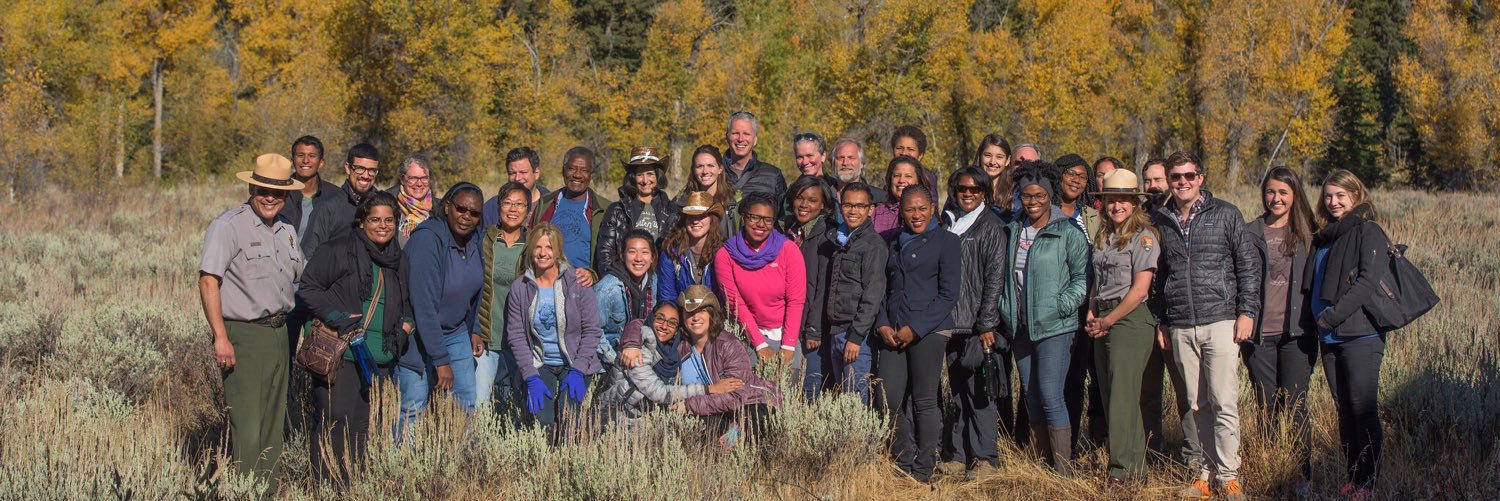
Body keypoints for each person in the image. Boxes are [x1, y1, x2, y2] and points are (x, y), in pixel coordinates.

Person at [1149, 151, 1260, 500]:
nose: (1183, 182)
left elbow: (1248, 267)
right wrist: (1162, 321)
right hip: (1181, 324)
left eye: (1189, 175)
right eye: (1176, 177)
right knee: (1195, 404)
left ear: (1201, 178)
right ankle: (1204, 473)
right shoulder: (1162, 220)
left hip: (1222, 320)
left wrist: (1247, 312)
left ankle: (1229, 476)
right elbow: (1159, 277)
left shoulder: (1225, 214)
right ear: (1169, 180)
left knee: (1223, 400)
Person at [198, 153, 306, 487]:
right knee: (248, 425)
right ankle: (244, 491)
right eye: (263, 189)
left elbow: (304, 274)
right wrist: (221, 337)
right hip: (243, 335)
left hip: (279, 333)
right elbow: (208, 281)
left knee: (273, 423)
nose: (270, 197)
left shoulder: (287, 230)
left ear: (287, 193)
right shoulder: (228, 226)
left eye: (278, 191)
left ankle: (266, 490)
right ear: (251, 186)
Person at [297, 191, 413, 485]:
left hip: (379, 357)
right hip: (342, 351)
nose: (383, 226)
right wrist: (336, 318)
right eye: (375, 219)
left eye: (389, 220)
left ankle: (350, 484)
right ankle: (325, 486)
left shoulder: (398, 258)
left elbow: (408, 302)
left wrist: (406, 327)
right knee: (335, 417)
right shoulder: (339, 249)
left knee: (362, 423)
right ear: (361, 221)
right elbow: (308, 287)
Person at [998, 163, 1089, 476]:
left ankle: (1063, 471)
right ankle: (1041, 467)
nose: (1032, 201)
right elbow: (1003, 276)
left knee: (1051, 395)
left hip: (1055, 327)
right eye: (1026, 196)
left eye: (1039, 196)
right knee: (1032, 396)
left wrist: (1062, 306)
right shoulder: (1012, 230)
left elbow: (1081, 278)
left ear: (1050, 196)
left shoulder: (1068, 232)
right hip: (1021, 328)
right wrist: (1004, 306)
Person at [1309, 169, 1389, 499]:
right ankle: (1353, 475)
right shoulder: (1326, 234)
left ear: (1356, 196)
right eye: (1329, 195)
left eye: (1341, 195)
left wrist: (1332, 316)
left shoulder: (1368, 231)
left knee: (1363, 408)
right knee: (1344, 409)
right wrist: (1322, 324)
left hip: (1359, 334)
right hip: (1329, 336)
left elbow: (1367, 282)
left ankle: (1367, 483)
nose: (1334, 201)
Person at [873, 184, 960, 483]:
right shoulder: (891, 241)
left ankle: (924, 466)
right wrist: (882, 323)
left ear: (933, 208)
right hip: (892, 330)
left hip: (930, 330)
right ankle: (904, 455)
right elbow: (883, 287)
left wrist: (917, 328)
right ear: (900, 211)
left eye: (922, 208)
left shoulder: (947, 242)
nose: (916, 214)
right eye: (910, 209)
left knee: (924, 400)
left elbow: (949, 295)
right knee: (888, 398)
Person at [1244, 166, 1319, 496]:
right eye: (1271, 192)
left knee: (1296, 405)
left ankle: (1302, 475)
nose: (1276, 198)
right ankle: (1267, 467)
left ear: (1295, 195)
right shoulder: (1250, 232)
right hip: (1259, 334)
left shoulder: (1309, 234)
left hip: (1298, 334)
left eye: (1283, 192)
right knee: (1265, 403)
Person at [1083, 169, 1160, 485]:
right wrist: (1092, 312)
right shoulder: (1104, 235)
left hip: (1128, 320)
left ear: (1134, 203)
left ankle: (1120, 472)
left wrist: (1109, 320)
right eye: (1111, 200)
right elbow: (1097, 281)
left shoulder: (1143, 237)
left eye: (1123, 201)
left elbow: (1140, 289)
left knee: (1122, 399)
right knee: (1115, 394)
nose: (1117, 206)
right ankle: (1137, 470)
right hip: (1103, 318)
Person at [935, 168, 1007, 478]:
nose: (968, 193)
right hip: (951, 322)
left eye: (975, 189)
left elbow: (994, 278)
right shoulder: (948, 222)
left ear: (984, 193)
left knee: (981, 394)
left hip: (979, 325)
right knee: (958, 393)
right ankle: (959, 456)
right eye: (962, 188)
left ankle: (986, 458)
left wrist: (987, 324)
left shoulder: (991, 226)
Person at [396, 183, 486, 427]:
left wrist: (474, 327)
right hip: (418, 335)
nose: (466, 217)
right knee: (413, 404)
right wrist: (441, 360)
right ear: (447, 207)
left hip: (456, 331)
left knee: (465, 402)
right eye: (461, 209)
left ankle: (464, 461)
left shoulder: (473, 239)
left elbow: (470, 289)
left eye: (474, 213)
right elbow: (423, 305)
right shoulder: (428, 239)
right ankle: (402, 462)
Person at [505, 223, 604, 432]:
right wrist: (530, 375)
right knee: (544, 421)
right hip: (541, 362)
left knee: (569, 418)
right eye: (538, 247)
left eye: (549, 247)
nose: (543, 253)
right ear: (530, 250)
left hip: (574, 362)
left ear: (558, 251)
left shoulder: (577, 282)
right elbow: (516, 336)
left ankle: (569, 460)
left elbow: (592, 330)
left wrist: (578, 369)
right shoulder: (520, 288)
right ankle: (545, 461)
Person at [803, 182, 886, 403]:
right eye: (848, 205)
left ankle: (857, 438)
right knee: (842, 393)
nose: (853, 211)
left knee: (854, 399)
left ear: (871, 209)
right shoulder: (838, 240)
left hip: (856, 335)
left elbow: (872, 295)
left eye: (860, 206)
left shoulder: (873, 245)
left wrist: (856, 337)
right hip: (835, 331)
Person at [673, 285, 783, 446]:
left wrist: (689, 406)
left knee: (755, 422)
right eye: (689, 313)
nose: (695, 317)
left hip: (751, 404)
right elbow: (645, 326)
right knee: (701, 430)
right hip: (712, 410)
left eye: (701, 311)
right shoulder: (680, 346)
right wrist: (630, 344)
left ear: (711, 314)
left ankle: (733, 440)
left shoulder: (728, 344)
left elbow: (736, 396)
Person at [610, 302, 744, 427]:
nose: (664, 326)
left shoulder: (672, 351)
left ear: (677, 330)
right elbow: (659, 393)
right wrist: (710, 389)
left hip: (649, 420)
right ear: (651, 319)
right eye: (660, 319)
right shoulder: (638, 351)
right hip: (620, 421)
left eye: (672, 323)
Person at [1052, 153, 1105, 452]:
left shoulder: (1092, 216)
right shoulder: (1044, 209)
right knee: (1058, 379)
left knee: (1084, 377)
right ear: (1058, 175)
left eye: (1082, 176)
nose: (1075, 180)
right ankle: (1052, 447)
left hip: (1087, 308)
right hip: (1055, 308)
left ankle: (1083, 445)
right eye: (1069, 173)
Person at [715, 193, 807, 365]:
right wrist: (760, 344)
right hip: (745, 334)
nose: (761, 224)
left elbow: (795, 300)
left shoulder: (788, 250)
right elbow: (735, 303)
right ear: (743, 217)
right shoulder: (725, 255)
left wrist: (788, 346)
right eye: (754, 217)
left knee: (788, 383)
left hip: (784, 334)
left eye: (767, 219)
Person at [476, 182, 532, 413]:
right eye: (507, 203)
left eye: (519, 205)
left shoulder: (534, 245)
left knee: (515, 406)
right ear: (498, 206)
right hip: (486, 337)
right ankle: (476, 448)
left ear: (528, 210)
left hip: (519, 340)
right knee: (479, 405)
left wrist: (588, 274)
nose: (513, 209)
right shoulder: (484, 241)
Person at [781, 175, 836, 377]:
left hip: (812, 327)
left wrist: (814, 328)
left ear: (823, 205)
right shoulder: (786, 232)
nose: (804, 205)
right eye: (799, 198)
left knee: (810, 384)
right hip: (785, 322)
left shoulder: (825, 236)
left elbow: (823, 287)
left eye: (812, 200)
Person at [532, 146, 609, 288]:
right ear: (563, 170)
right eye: (572, 169)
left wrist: (593, 274)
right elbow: (531, 243)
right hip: (546, 285)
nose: (577, 175)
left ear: (591, 175)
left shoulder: (604, 209)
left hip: (582, 287)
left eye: (584, 170)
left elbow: (609, 255)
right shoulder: (546, 203)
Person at [596, 147, 679, 273]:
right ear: (632, 178)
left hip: (661, 278)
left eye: (650, 174)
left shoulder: (671, 210)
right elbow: (605, 253)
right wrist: (620, 281)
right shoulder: (617, 210)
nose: (645, 181)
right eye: (640, 174)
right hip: (624, 278)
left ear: (658, 176)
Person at [301, 143, 381, 260]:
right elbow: (309, 254)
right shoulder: (329, 207)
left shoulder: (383, 207)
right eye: (360, 169)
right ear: (348, 168)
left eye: (371, 170)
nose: (366, 175)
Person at [594, 230, 659, 366]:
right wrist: (614, 360)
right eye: (632, 251)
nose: (639, 258)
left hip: (641, 351)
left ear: (652, 257)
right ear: (622, 256)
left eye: (645, 252)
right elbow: (593, 332)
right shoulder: (607, 289)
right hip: (611, 357)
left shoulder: (652, 281)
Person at [658, 191, 727, 304]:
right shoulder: (671, 252)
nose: (695, 221)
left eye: (702, 216)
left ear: (711, 219)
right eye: (691, 216)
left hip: (716, 317)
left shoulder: (723, 252)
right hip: (682, 316)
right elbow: (667, 296)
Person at [279, 135, 339, 240]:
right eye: (300, 155)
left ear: (321, 163)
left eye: (312, 156)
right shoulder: (278, 193)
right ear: (292, 161)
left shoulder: (335, 196)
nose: (305, 160)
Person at [723, 111, 787, 205]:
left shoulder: (773, 176)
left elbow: (783, 217)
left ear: (755, 140)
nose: (740, 139)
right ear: (727, 137)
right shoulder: (711, 173)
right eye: (735, 133)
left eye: (746, 134)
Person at [676, 145, 740, 236]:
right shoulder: (682, 201)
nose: (705, 171)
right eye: (700, 166)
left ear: (720, 169)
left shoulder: (733, 202)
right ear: (693, 170)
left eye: (710, 166)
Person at [872, 156, 934, 241]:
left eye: (908, 176)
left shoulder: (927, 212)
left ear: (918, 180)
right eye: (896, 175)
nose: (901, 180)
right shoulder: (878, 212)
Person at [484, 147, 549, 227]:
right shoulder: (492, 207)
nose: (517, 178)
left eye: (523, 172)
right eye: (512, 173)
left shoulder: (552, 204)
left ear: (536, 173)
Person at [387, 154, 442, 247]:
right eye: (413, 178)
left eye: (424, 178)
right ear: (402, 179)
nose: (419, 184)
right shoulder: (388, 205)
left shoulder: (440, 209)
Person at [826, 138, 888, 204]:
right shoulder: (823, 196)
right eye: (840, 158)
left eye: (851, 158)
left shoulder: (879, 198)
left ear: (862, 164)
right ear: (832, 164)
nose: (845, 163)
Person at [971, 134, 1015, 219]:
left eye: (999, 157)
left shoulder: (1015, 192)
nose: (992, 161)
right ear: (980, 156)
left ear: (1007, 160)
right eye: (988, 155)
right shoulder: (964, 187)